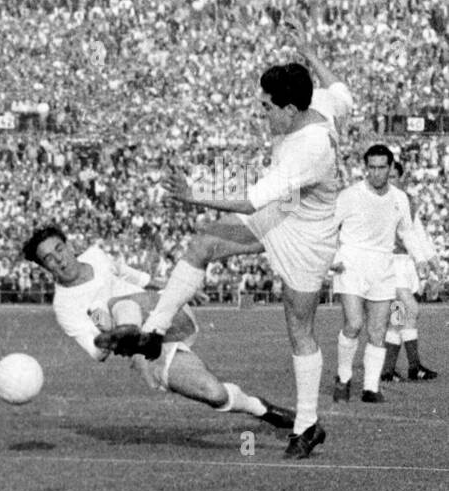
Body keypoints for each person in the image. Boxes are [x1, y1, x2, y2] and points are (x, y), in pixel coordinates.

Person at [98, 35, 351, 459]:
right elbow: (341, 90)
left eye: (267, 107)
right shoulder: (319, 104)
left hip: (308, 237)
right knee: (205, 242)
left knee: (299, 330)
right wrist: (307, 50)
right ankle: (154, 334)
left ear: (290, 109)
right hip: (284, 212)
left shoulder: (308, 149)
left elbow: (252, 200)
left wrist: (194, 195)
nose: (262, 113)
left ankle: (308, 425)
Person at [24, 227, 295, 431]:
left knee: (118, 303)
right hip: (150, 349)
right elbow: (97, 353)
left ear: (68, 246)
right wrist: (102, 328)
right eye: (48, 259)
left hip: (163, 312)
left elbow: (130, 273)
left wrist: (180, 287)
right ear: (44, 267)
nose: (59, 259)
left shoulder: (95, 255)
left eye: (59, 249)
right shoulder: (64, 306)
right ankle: (264, 410)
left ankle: (128, 329)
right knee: (214, 394)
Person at [330, 144, 424, 403]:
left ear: (391, 168)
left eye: (382, 167)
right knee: (354, 324)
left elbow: (406, 231)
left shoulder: (399, 198)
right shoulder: (350, 195)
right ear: (365, 168)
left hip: (383, 264)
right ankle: (344, 377)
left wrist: (422, 259)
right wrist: (334, 258)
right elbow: (330, 228)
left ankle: (371, 388)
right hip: (351, 262)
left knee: (378, 330)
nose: (376, 173)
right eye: (371, 167)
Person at [380, 159, 438, 381]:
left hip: (406, 265)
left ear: (400, 179)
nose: (389, 181)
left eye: (393, 177)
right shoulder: (379, 202)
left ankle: (389, 370)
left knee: (399, 316)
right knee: (411, 309)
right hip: (389, 263)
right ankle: (413, 367)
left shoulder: (406, 202)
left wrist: (430, 259)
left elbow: (418, 233)